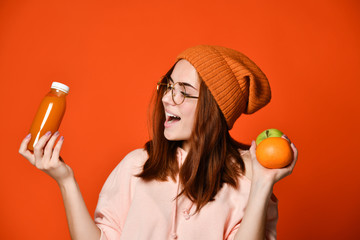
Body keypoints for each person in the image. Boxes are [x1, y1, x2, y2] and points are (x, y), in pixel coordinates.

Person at [19, 45, 298, 240]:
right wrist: (66, 180)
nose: (167, 99)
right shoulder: (137, 166)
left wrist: (262, 186)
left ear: (214, 111)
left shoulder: (248, 182)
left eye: (183, 92)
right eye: (168, 86)